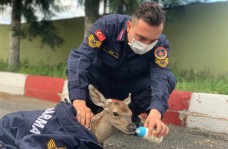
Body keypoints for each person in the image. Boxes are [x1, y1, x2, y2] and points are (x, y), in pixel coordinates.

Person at [66, 1, 176, 138]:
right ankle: (90, 112)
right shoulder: (108, 26)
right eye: (141, 37)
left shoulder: (161, 45)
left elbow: (160, 77)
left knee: (169, 79)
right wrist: (78, 101)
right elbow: (81, 58)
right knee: (79, 67)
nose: (146, 44)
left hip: (129, 88)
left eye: (152, 40)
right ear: (129, 26)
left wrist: (156, 113)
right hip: (101, 83)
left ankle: (129, 115)